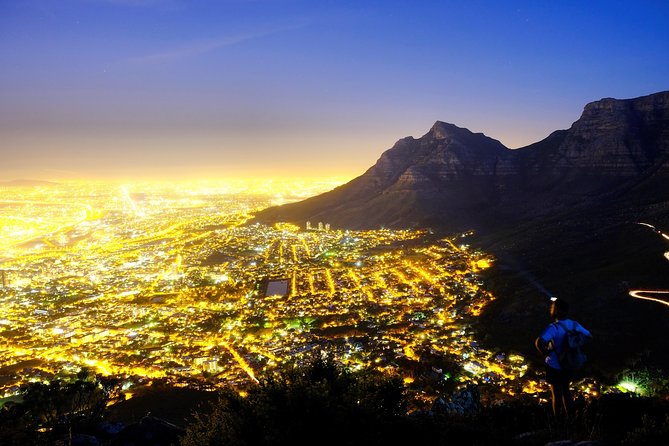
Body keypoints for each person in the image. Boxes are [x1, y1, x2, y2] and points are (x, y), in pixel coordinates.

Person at [535, 298, 591, 420]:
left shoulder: (553, 327)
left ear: (554, 310)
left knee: (556, 393)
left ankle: (558, 421)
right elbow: (588, 335)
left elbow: (539, 342)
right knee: (566, 389)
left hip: (555, 364)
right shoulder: (574, 324)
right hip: (569, 363)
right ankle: (571, 419)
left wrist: (545, 353)